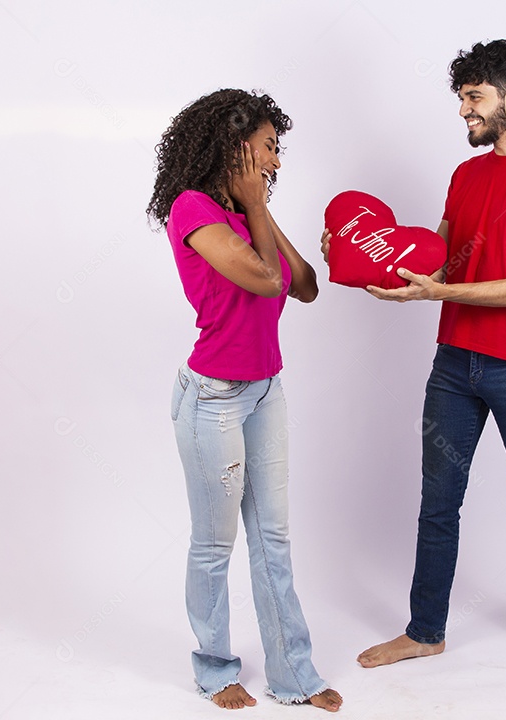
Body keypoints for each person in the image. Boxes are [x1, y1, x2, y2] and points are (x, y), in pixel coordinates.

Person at [322, 40, 506, 694]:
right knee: (438, 502)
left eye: (473, 99)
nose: (463, 113)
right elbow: (436, 262)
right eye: (460, 100)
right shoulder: (466, 175)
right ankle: (426, 630)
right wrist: (364, 257)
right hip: (455, 366)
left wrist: (435, 292)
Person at [147, 88, 342, 712]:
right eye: (268, 148)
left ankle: (294, 675)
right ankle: (213, 668)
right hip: (212, 399)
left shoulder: (246, 208)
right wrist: (255, 205)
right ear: (235, 147)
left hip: (265, 391)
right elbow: (263, 277)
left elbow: (304, 285)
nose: (276, 163)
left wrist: (259, 207)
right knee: (214, 544)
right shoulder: (192, 209)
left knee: (274, 538)